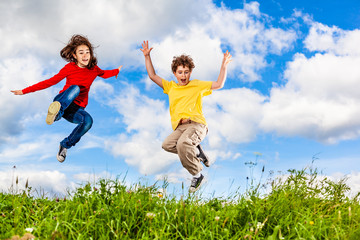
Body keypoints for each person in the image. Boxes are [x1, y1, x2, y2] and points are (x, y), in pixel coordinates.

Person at [11, 34, 122, 163]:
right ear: (75, 55)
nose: (85, 56)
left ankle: (65, 144)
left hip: (75, 110)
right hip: (63, 100)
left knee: (88, 121)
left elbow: (104, 73)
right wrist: (25, 91)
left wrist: (116, 71)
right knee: (76, 88)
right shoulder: (69, 68)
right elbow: (50, 81)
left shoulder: (93, 69)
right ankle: (57, 112)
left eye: (87, 52)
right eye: (81, 53)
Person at [140, 40, 231, 193]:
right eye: (180, 72)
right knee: (167, 144)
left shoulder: (196, 85)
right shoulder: (171, 87)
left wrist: (224, 65)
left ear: (190, 72)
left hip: (196, 125)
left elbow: (219, 84)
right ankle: (196, 151)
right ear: (175, 74)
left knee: (183, 144)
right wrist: (147, 56)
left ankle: (197, 174)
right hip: (180, 127)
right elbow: (152, 75)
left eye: (186, 72)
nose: (183, 75)